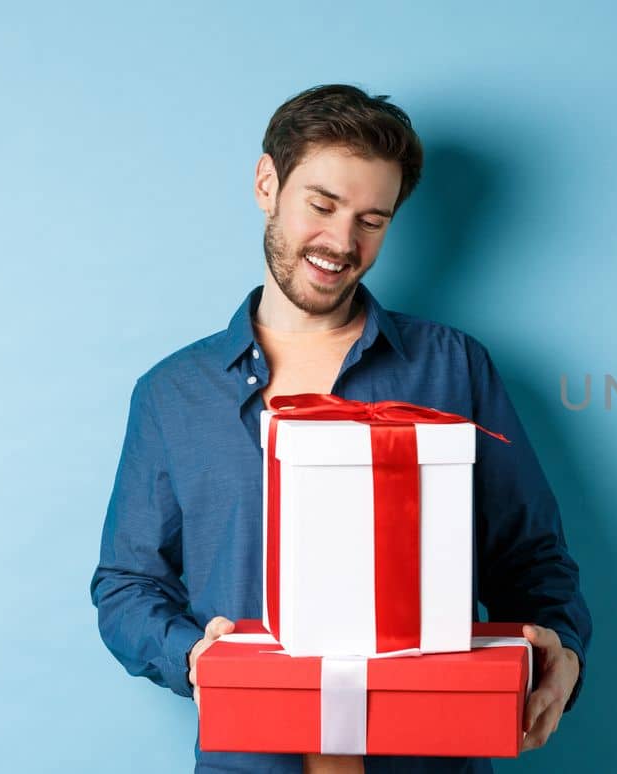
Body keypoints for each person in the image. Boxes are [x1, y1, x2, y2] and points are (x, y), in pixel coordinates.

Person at [90, 84, 591, 774]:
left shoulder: (453, 369)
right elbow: (125, 585)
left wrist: (561, 652)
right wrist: (194, 657)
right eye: (321, 205)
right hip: (250, 759)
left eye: (372, 220)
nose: (341, 241)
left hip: (429, 756)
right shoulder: (174, 395)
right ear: (268, 183)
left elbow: (532, 560)